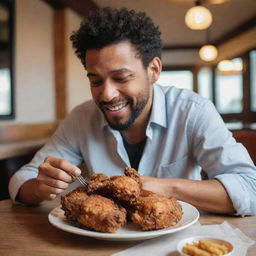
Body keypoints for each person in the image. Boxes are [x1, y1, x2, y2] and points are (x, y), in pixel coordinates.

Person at [9, 7, 256, 216]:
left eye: (121, 78)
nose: (106, 95)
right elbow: (22, 179)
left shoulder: (193, 111)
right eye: (96, 81)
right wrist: (39, 187)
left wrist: (166, 188)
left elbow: (250, 187)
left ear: (154, 70)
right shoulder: (80, 119)